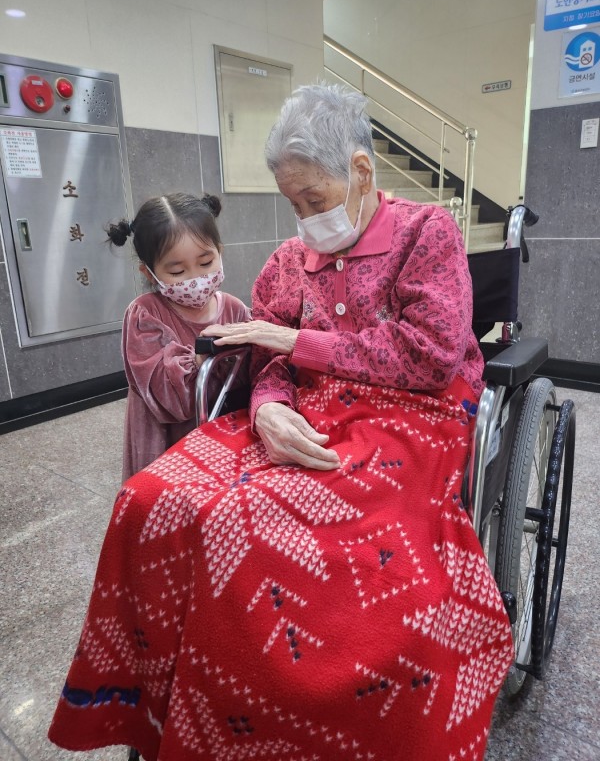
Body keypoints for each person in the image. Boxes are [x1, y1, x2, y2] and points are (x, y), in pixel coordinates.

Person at [49, 85, 513, 761]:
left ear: (361, 171)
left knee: (263, 522)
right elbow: (266, 353)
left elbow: (430, 355)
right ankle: (174, 702)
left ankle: (294, 719)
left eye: (314, 200)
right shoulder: (289, 262)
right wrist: (269, 405)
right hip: (305, 409)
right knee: (151, 499)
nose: (304, 220)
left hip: (412, 413)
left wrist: (301, 344)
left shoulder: (426, 232)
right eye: (293, 204)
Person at [106, 192, 251, 480]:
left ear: (220, 252)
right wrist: (201, 359)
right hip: (169, 440)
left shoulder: (235, 308)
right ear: (149, 273)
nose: (195, 278)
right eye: (177, 270)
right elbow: (170, 400)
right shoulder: (145, 315)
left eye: (206, 262)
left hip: (226, 435)